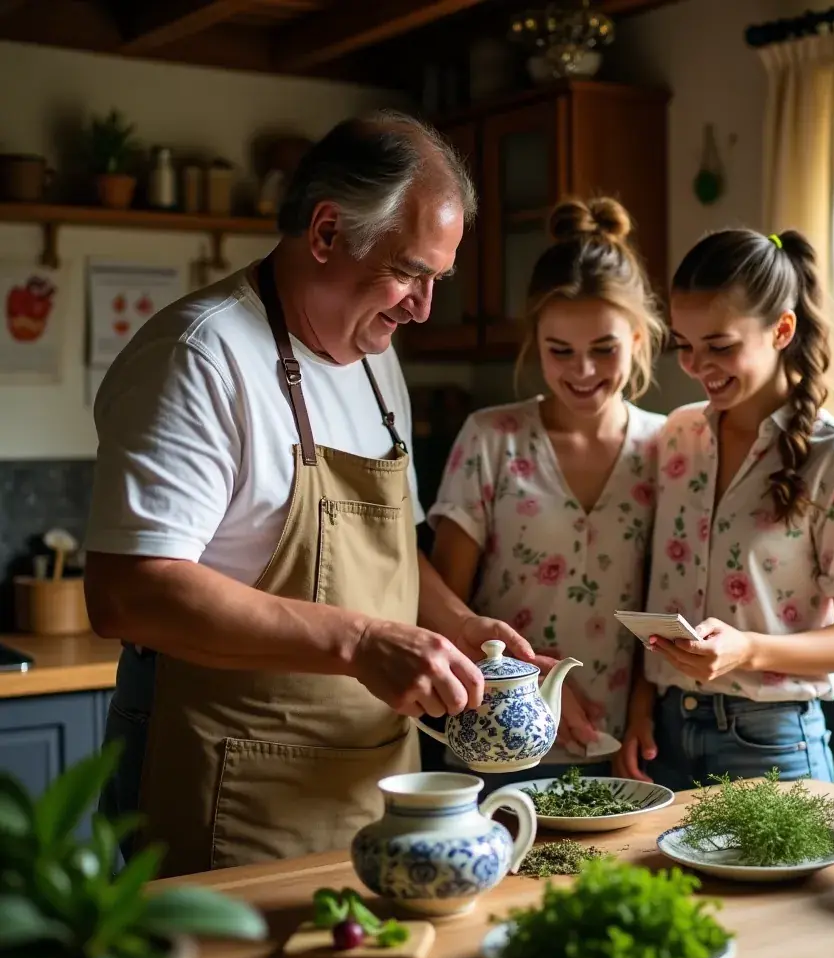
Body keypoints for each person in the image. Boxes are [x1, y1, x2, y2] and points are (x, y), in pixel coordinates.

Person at [83, 111, 538, 876]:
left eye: (436, 279)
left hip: (373, 787)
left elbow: (390, 548)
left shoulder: (372, 356)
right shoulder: (200, 356)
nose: (422, 307)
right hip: (231, 790)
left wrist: (457, 625)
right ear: (326, 233)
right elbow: (128, 593)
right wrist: (362, 642)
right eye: (410, 272)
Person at [614, 229, 834, 789]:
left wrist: (747, 650)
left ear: (781, 329)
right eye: (685, 346)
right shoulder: (679, 435)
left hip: (773, 743)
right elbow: (654, 586)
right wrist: (640, 706)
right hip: (663, 735)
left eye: (719, 345)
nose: (696, 365)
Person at [428, 197, 667, 790]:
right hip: (497, 746)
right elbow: (442, 603)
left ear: (637, 337)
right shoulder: (492, 438)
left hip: (619, 750)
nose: (582, 371)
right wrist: (532, 689)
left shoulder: (668, 448)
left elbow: (670, 600)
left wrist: (639, 712)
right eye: (560, 350)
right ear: (534, 340)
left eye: (604, 349)